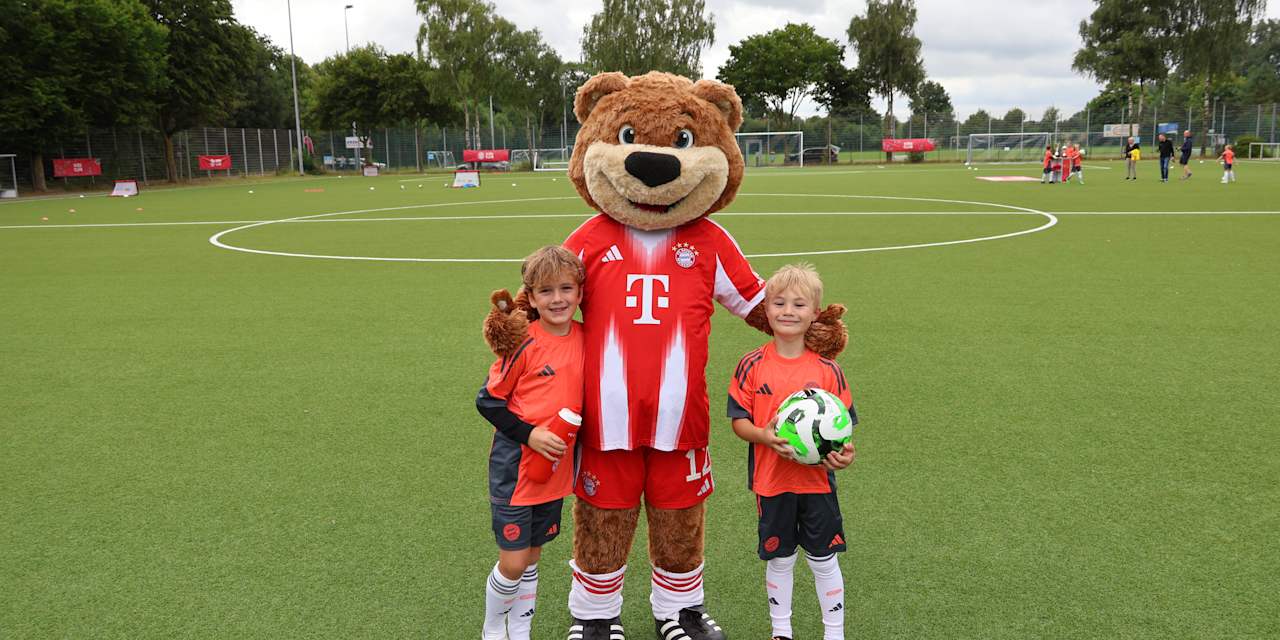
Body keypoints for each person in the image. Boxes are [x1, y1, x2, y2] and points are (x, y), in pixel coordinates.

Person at [727, 263, 858, 640]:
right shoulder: (751, 365)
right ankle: (780, 631)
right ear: (765, 310)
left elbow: (844, 430)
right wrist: (764, 436)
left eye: (799, 304)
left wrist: (846, 456)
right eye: (779, 303)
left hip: (817, 485)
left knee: (823, 558)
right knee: (780, 558)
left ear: (814, 313)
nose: (788, 311)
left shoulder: (829, 370)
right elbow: (738, 423)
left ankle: (834, 632)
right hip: (772, 483)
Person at [475, 245, 586, 640]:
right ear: (532, 296)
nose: (558, 299)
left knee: (535, 554)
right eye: (546, 291)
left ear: (580, 292)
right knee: (514, 560)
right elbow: (488, 400)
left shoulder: (586, 338)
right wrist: (531, 434)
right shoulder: (523, 341)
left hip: (555, 469)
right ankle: (493, 629)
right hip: (515, 468)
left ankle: (520, 629)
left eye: (566, 289)